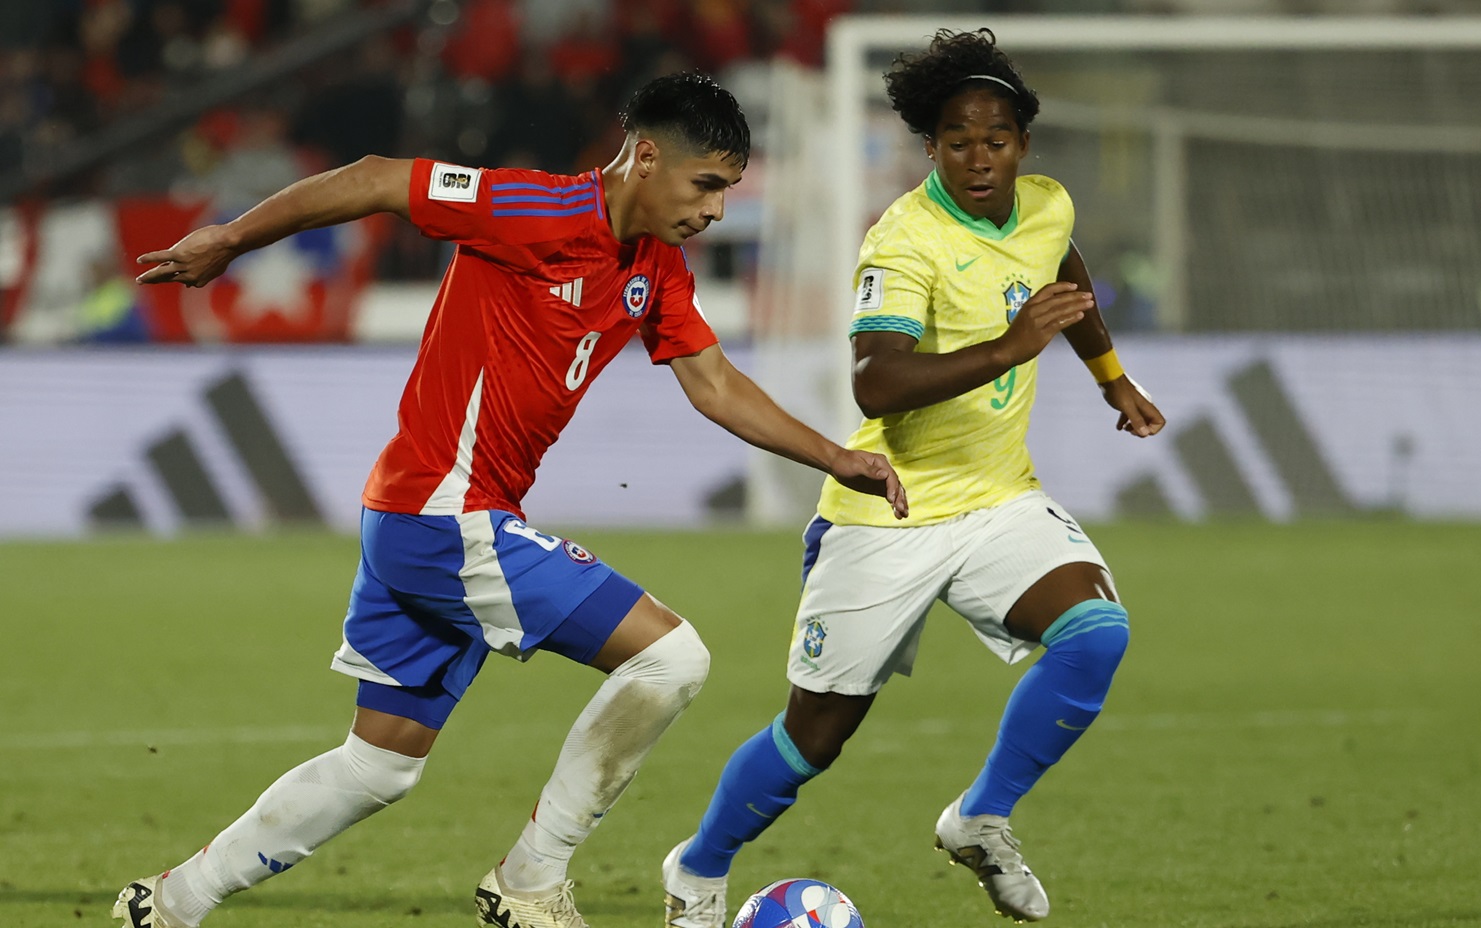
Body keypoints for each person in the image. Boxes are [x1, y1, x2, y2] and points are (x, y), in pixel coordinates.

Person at [110, 71, 907, 928]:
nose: (715, 210)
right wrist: (233, 238)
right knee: (671, 658)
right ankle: (530, 879)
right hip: (443, 512)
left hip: (423, 517)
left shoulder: (655, 267)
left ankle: (169, 904)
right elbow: (382, 175)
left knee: (379, 764)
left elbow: (711, 380)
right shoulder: (535, 210)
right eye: (706, 184)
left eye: (727, 191)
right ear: (645, 158)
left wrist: (835, 456)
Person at [661, 30, 1165, 926]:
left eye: (998, 139)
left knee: (1096, 635)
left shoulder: (1047, 207)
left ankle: (980, 818)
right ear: (929, 147)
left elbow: (1064, 269)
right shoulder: (904, 240)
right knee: (814, 738)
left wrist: (1112, 377)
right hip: (886, 511)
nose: (980, 159)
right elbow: (876, 381)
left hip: (999, 498)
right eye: (959, 141)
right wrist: (1012, 347)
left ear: (1023, 144)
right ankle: (697, 870)